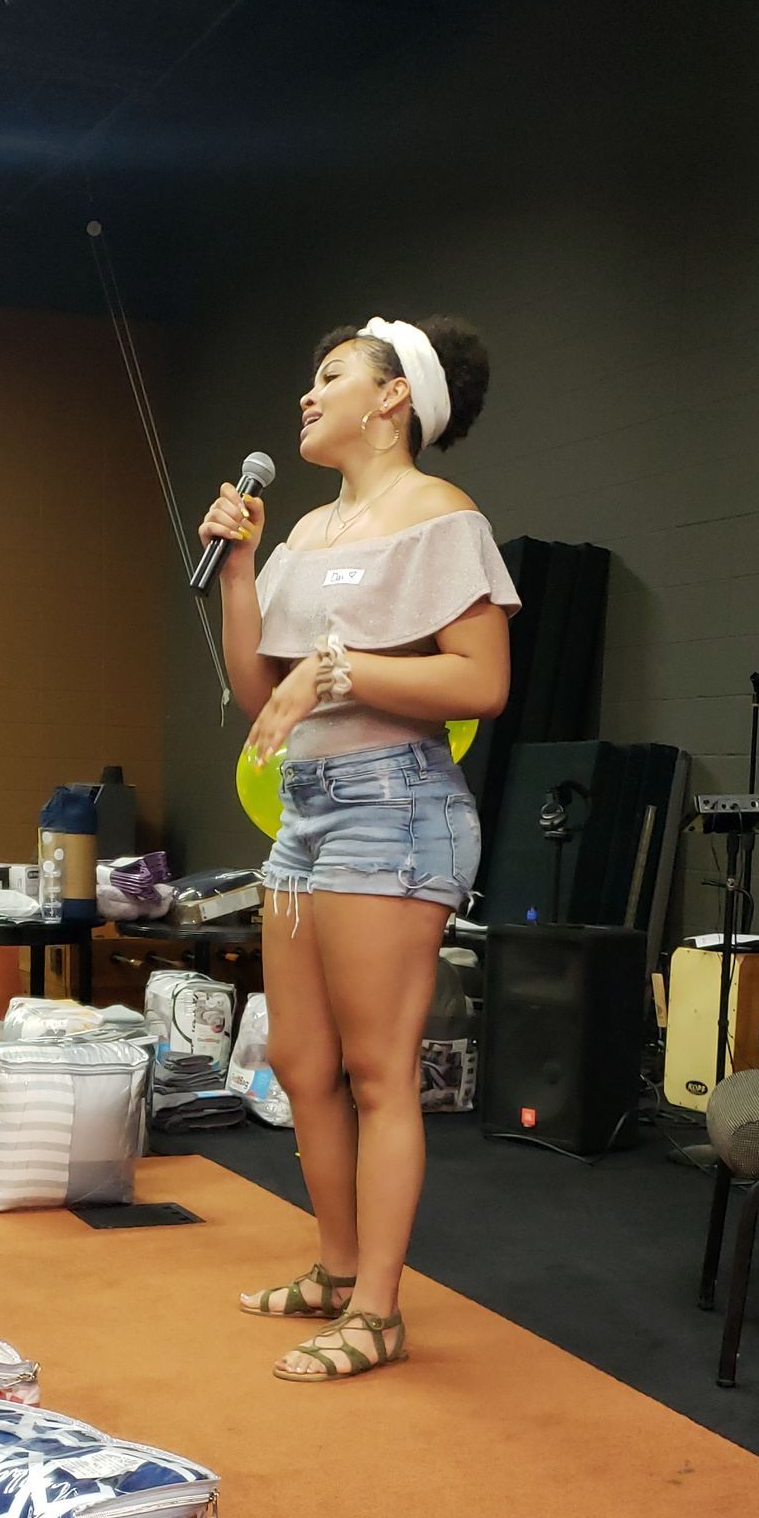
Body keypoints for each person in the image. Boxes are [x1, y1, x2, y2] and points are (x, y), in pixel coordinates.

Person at [200, 313, 515, 1383]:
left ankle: (379, 1312)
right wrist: (242, 568)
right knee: (300, 1062)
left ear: (393, 398)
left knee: (380, 1071)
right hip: (307, 808)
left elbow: (482, 681)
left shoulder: (441, 514)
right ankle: (336, 1270)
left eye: (331, 374)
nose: (308, 392)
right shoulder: (303, 535)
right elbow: (260, 693)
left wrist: (339, 669)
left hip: (395, 806)